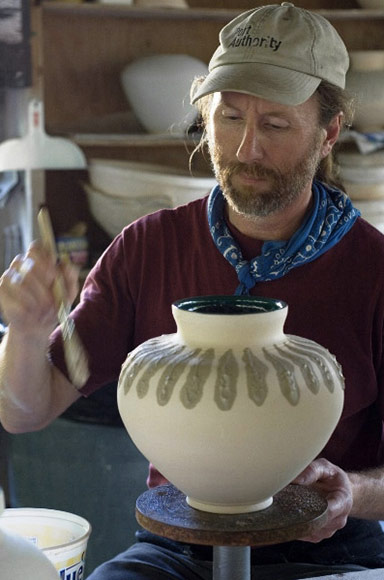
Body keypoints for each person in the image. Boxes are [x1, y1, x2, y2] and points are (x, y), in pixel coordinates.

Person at [1, 3, 384, 579]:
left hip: (331, 554)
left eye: (276, 125)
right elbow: (25, 412)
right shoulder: (148, 247)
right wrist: (26, 333)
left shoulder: (373, 269)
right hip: (179, 553)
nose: (247, 149)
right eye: (230, 117)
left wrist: (352, 492)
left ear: (329, 132)